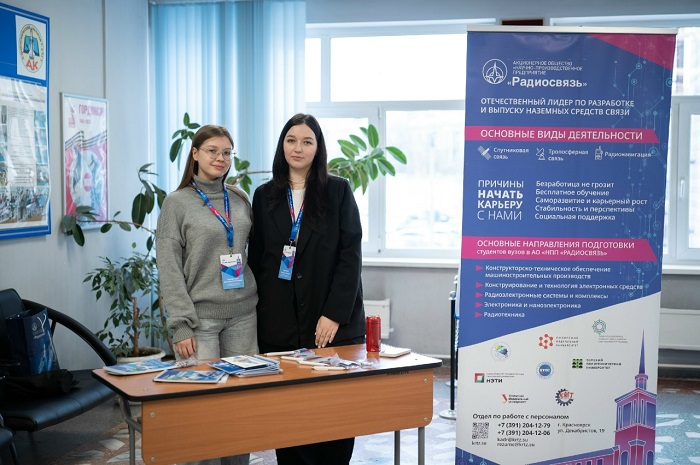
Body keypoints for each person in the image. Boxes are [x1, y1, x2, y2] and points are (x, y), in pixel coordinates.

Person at [248, 113, 365, 465]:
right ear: (282, 145)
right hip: (280, 323)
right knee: (289, 415)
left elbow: (350, 255)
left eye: (307, 141)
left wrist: (334, 314)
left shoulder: (337, 191)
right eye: (291, 140)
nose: (298, 148)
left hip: (329, 320)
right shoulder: (265, 195)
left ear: (318, 148)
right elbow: (259, 259)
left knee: (334, 412)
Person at [156, 124, 257, 465]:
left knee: (241, 408)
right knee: (201, 411)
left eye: (227, 152)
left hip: (243, 315)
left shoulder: (239, 198)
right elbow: (169, 267)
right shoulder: (176, 203)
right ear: (195, 153)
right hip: (200, 321)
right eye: (212, 150)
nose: (220, 158)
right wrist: (180, 324)